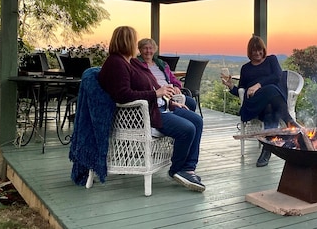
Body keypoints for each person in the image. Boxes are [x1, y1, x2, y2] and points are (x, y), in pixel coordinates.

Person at [98, 26, 205, 192]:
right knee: (188, 129)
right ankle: (177, 169)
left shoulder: (131, 62)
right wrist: (156, 94)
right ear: (126, 41)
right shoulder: (116, 63)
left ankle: (189, 168)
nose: (136, 45)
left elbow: (153, 85)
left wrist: (169, 102)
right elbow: (123, 95)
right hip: (142, 114)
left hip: (159, 106)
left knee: (197, 120)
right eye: (134, 40)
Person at [222, 35, 299, 167]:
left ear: (263, 50)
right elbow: (241, 91)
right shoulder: (246, 68)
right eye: (254, 50)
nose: (257, 53)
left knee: (270, 108)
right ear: (249, 52)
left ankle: (267, 150)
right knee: (271, 90)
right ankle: (290, 122)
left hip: (271, 104)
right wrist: (231, 87)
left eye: (260, 50)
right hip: (254, 104)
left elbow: (277, 76)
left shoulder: (271, 60)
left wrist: (258, 85)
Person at [136, 38, 197, 112]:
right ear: (140, 50)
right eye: (145, 48)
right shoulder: (137, 65)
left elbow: (173, 79)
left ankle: (182, 116)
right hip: (156, 95)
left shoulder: (161, 64)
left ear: (154, 50)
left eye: (150, 48)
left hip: (170, 93)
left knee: (191, 102)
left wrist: (176, 86)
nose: (148, 51)